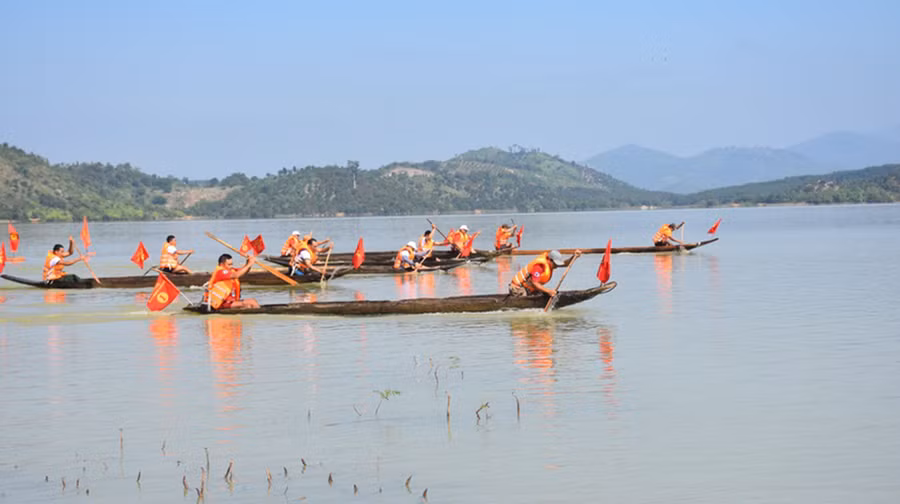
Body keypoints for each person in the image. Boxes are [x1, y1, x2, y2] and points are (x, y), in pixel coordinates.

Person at [508, 249, 582, 297]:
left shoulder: (551, 264)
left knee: (543, 294)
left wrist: (574, 257)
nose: (556, 266)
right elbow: (534, 283)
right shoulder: (540, 266)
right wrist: (548, 291)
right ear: (549, 260)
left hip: (529, 288)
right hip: (518, 289)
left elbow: (565, 264)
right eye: (555, 263)